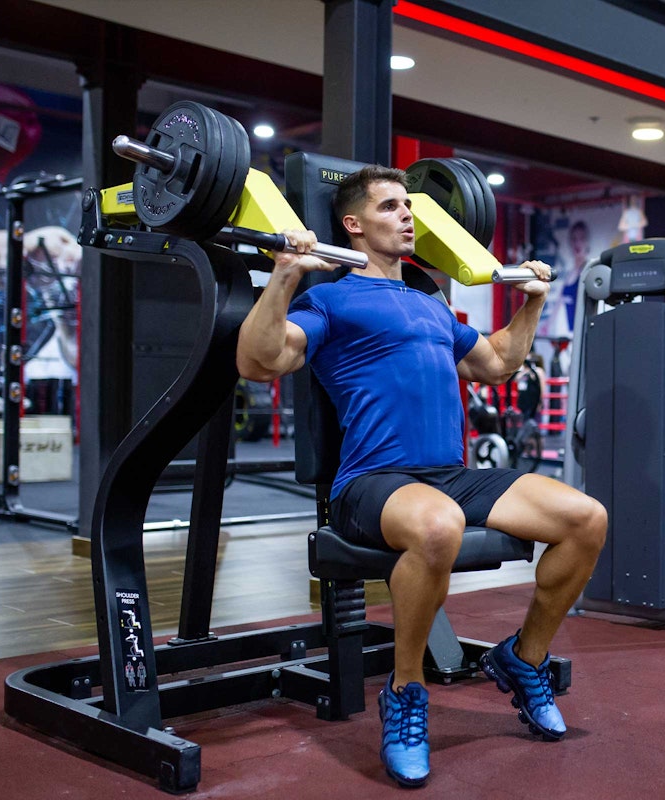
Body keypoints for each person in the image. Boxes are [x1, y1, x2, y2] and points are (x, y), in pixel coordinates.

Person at [235, 164, 607, 788]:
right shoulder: (329, 297)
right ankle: (406, 693)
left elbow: (496, 364)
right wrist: (284, 275)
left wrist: (532, 302)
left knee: (584, 519)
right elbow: (257, 360)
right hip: (372, 482)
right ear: (353, 224)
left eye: (408, 206)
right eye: (390, 207)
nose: (408, 216)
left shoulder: (428, 302)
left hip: (448, 474)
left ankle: (524, 659)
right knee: (440, 526)